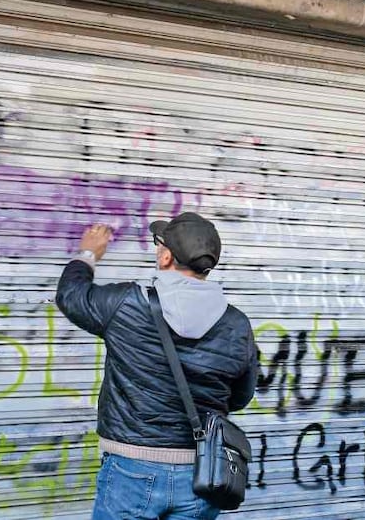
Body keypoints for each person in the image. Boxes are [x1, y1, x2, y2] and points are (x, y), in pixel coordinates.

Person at [56, 212, 259, 520]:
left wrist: (88, 254)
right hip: (203, 474)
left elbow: (71, 296)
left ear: (165, 257)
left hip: (131, 469)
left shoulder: (126, 304)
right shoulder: (237, 324)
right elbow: (240, 397)